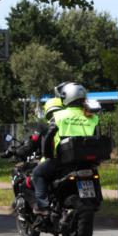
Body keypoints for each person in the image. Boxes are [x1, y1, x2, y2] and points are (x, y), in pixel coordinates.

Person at [32, 83, 98, 213]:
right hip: (86, 162)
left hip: (62, 160)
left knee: (37, 173)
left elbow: (49, 137)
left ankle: (43, 205)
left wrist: (48, 153)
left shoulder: (58, 116)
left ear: (67, 97)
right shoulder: (93, 117)